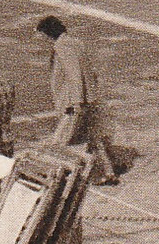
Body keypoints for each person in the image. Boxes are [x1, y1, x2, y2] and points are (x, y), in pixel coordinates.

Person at [38, 16, 118, 181]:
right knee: (94, 139)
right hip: (90, 99)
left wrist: (77, 102)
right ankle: (107, 172)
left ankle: (57, 175)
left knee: (60, 141)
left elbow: (74, 76)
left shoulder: (62, 47)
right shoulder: (76, 43)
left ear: (48, 34)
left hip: (73, 104)